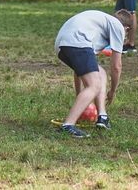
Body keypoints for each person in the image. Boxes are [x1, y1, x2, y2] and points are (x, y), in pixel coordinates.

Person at [54, 9, 132, 138]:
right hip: (77, 42)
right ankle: (68, 125)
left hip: (61, 44)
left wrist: (80, 95)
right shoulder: (118, 27)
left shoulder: (98, 27)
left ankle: (102, 117)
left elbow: (80, 69)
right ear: (127, 29)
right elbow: (117, 66)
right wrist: (112, 91)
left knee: (100, 73)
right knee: (94, 85)